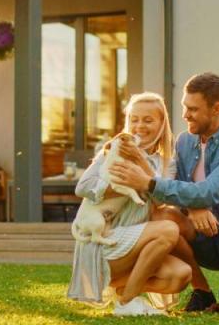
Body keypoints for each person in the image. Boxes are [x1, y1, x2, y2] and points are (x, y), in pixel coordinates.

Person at [110, 72, 219, 313]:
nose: (185, 115)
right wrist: (195, 208)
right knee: (165, 217)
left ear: (217, 108)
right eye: (185, 107)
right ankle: (202, 291)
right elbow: (178, 189)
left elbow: (207, 191)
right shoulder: (185, 141)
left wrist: (149, 183)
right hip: (203, 235)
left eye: (193, 109)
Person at [67, 92, 190, 316]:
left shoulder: (167, 163)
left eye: (148, 120)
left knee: (181, 274)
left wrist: (141, 162)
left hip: (134, 244)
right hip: (103, 241)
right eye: (134, 119)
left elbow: (161, 199)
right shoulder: (114, 150)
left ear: (162, 124)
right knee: (168, 230)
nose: (139, 126)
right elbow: (82, 186)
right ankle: (128, 303)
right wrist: (121, 185)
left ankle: (125, 294)